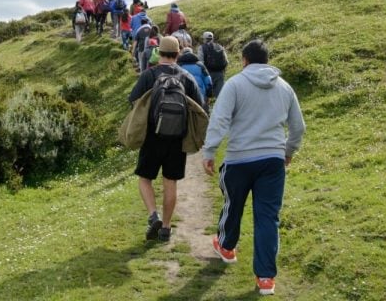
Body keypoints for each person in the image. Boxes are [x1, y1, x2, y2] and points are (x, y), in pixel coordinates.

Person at [201, 39, 306, 296]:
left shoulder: (235, 84)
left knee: (233, 205)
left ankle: (226, 248)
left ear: (244, 60)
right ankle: (266, 279)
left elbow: (220, 119)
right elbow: (298, 127)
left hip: (239, 159)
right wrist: (288, 152)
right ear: (267, 60)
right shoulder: (284, 87)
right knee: (268, 217)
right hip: (272, 161)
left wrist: (210, 150)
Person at [129, 36, 204, 242]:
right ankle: (166, 228)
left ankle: (153, 215)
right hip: (177, 140)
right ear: (178, 53)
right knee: (170, 182)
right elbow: (200, 107)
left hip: (152, 137)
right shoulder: (187, 77)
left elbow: (133, 101)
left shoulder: (148, 75)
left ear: (158, 53)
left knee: (145, 179)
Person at [177, 47, 212, 112]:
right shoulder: (200, 65)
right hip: (200, 95)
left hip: (184, 95)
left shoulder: (178, 65)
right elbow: (208, 80)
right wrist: (209, 94)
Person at [198, 31, 228, 98]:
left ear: (204, 39)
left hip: (208, 74)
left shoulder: (201, 48)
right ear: (212, 38)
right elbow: (226, 61)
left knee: (206, 96)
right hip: (220, 74)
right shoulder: (219, 46)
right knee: (220, 96)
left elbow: (200, 62)